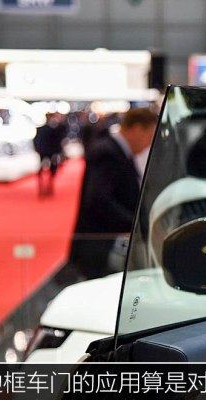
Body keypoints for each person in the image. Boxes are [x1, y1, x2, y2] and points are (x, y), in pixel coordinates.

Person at [71, 108, 158, 279]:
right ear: (137, 129)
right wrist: (136, 224)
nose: (149, 144)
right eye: (150, 136)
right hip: (100, 247)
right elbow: (99, 201)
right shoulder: (107, 152)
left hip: (108, 244)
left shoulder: (117, 151)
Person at [34, 113, 66, 197]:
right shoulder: (52, 129)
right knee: (49, 170)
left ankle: (46, 187)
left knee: (49, 169)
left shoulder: (50, 129)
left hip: (46, 152)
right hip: (48, 152)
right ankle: (46, 187)